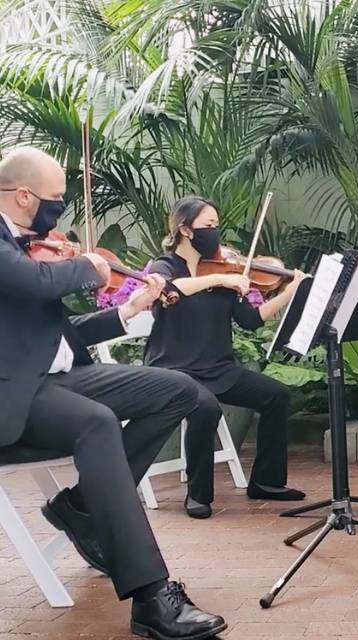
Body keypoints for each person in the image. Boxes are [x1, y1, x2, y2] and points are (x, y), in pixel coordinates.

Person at [0, 148, 227, 639]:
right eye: (56, 199)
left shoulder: (33, 243)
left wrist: (127, 311)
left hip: (57, 377)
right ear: (23, 196)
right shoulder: (10, 252)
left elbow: (57, 333)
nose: (60, 210)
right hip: (14, 392)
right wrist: (90, 266)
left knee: (179, 390)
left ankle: (82, 506)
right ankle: (151, 597)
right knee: (97, 422)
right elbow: (32, 281)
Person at [144, 196, 308, 519]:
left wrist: (291, 292)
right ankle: (198, 495)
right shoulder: (164, 267)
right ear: (185, 230)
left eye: (217, 226)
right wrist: (221, 279)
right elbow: (172, 288)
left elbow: (251, 319)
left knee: (276, 396)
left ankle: (267, 482)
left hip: (217, 367)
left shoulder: (224, 269)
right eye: (208, 226)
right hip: (174, 369)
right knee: (205, 408)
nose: (215, 233)